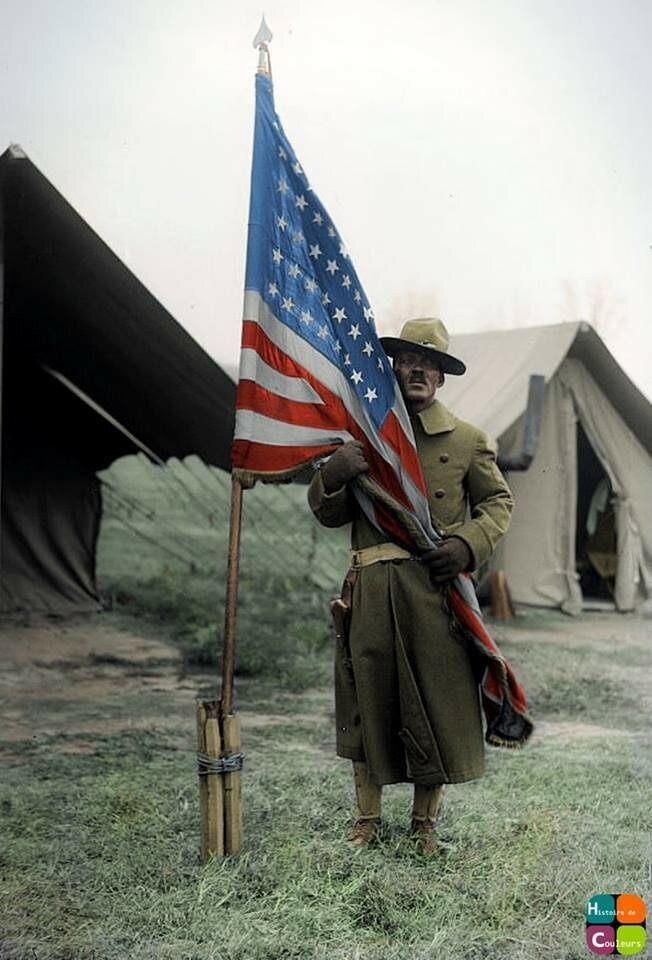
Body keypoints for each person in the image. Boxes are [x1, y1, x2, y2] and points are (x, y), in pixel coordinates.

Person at [307, 317, 515, 853]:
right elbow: (329, 514)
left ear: (441, 377)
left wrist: (467, 544)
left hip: (433, 589)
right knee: (367, 700)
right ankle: (367, 820)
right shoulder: (363, 436)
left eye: (430, 364)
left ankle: (425, 823)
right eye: (408, 361)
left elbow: (498, 501)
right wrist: (333, 473)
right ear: (392, 369)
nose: (418, 371)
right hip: (372, 588)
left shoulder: (467, 440)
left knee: (437, 700)